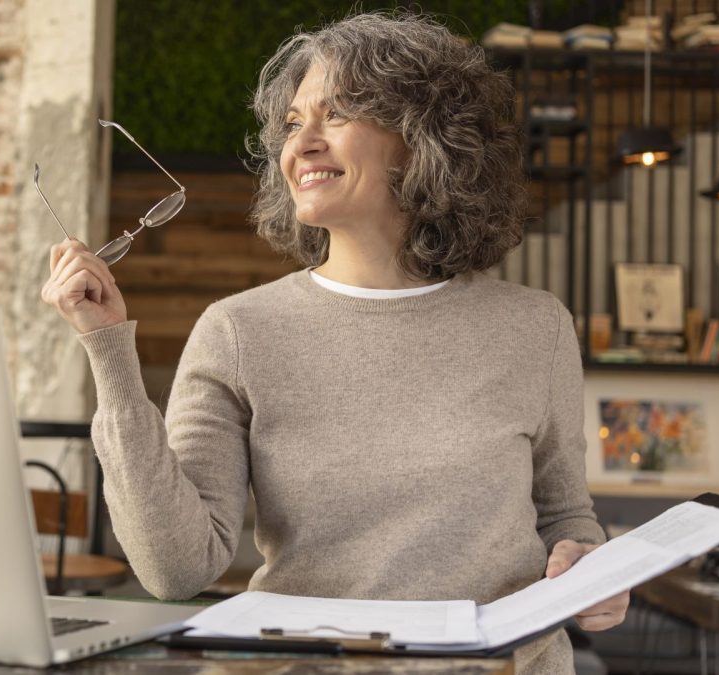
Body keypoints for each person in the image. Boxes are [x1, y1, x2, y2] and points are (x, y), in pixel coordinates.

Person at [42, 12, 627, 674]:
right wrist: (108, 351)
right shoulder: (237, 332)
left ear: (420, 138)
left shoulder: (535, 328)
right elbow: (174, 567)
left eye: (338, 113)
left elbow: (565, 517)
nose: (303, 144)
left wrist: (587, 565)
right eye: (293, 124)